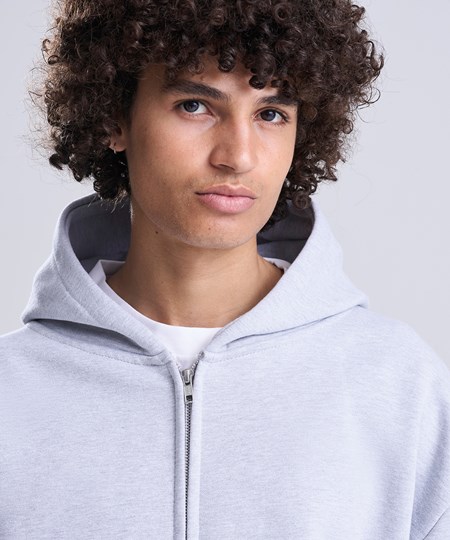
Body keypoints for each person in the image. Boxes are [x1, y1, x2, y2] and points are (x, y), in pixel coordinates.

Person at [1, 0, 449, 538]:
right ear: (114, 118)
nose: (238, 156)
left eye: (270, 114)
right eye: (195, 106)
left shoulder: (399, 384)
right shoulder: (11, 394)